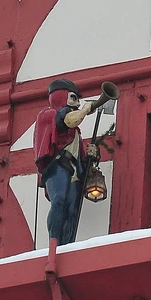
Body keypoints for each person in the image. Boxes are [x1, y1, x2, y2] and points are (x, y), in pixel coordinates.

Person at [33, 79, 100, 245]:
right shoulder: (48, 114)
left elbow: (81, 158)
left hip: (73, 172)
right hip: (57, 167)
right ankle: (54, 242)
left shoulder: (76, 133)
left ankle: (67, 244)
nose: (77, 103)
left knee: (72, 210)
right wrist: (86, 108)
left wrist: (90, 156)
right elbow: (67, 120)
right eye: (73, 98)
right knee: (59, 200)